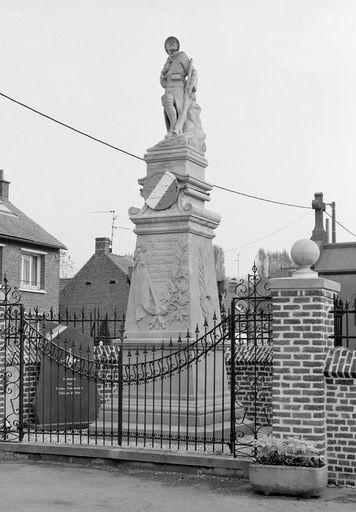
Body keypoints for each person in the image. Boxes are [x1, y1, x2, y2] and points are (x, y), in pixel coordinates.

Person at [160, 36, 197, 136]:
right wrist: (164, 71)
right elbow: (162, 82)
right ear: (166, 48)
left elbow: (192, 71)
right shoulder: (167, 62)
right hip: (169, 87)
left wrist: (191, 85)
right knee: (165, 99)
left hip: (179, 87)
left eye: (174, 41)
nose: (172, 42)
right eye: (169, 42)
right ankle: (174, 127)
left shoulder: (181, 56)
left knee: (181, 110)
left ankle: (176, 129)